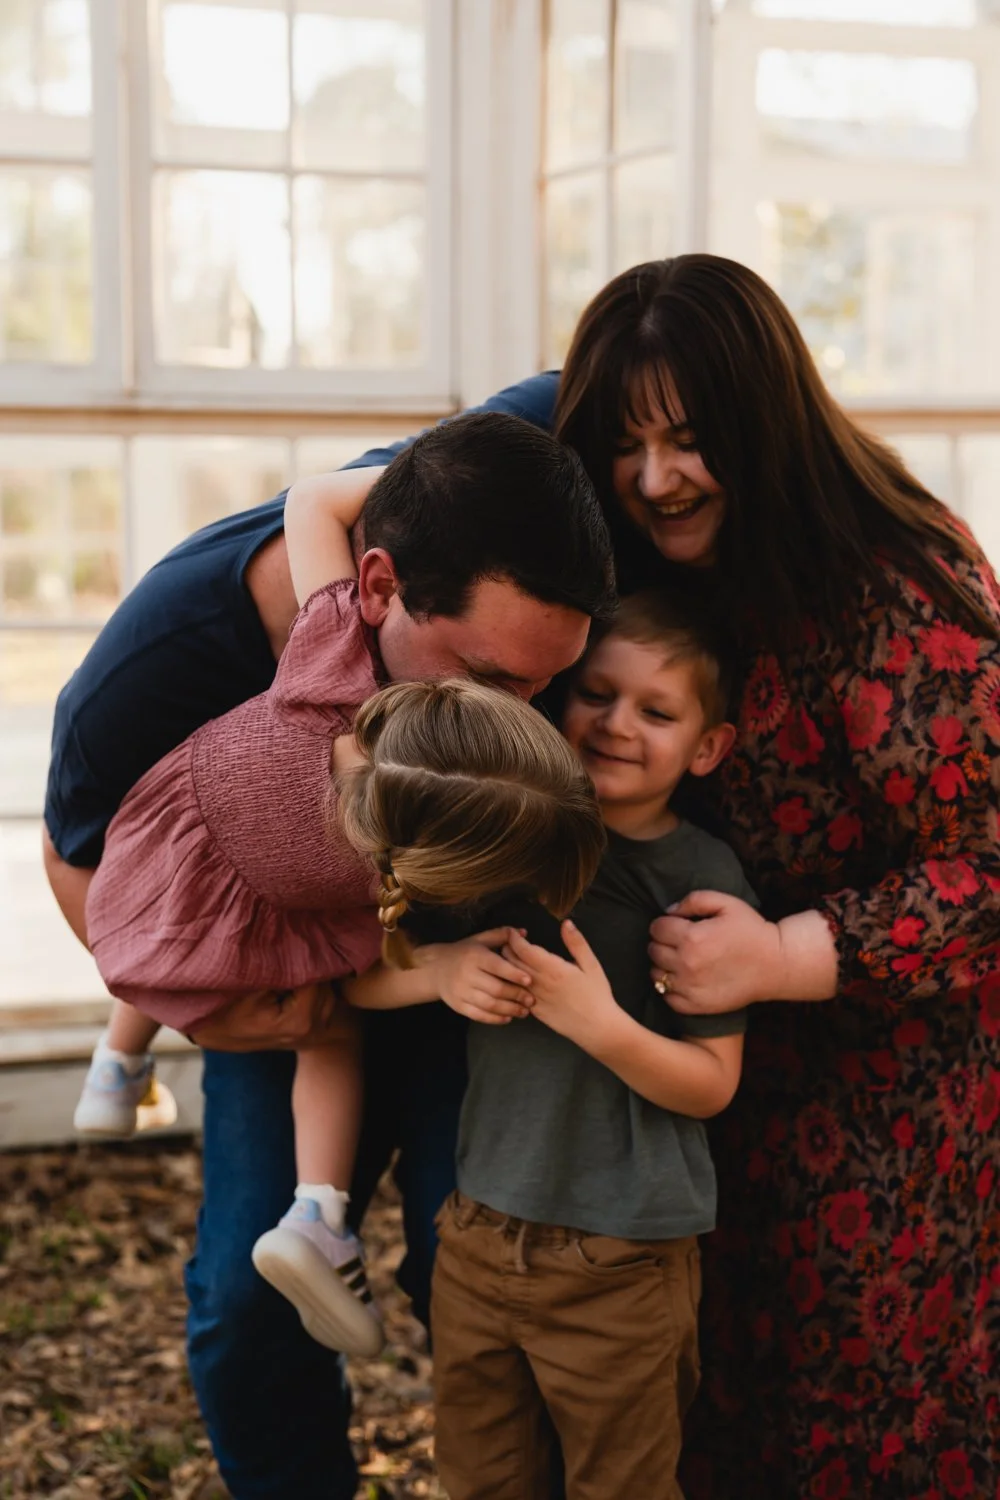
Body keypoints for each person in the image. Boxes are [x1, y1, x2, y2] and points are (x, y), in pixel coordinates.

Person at [301, 254, 1000, 1495]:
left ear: (765, 424)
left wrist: (792, 954)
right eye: (627, 442)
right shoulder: (631, 554)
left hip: (882, 1106)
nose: (656, 475)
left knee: (846, 1416)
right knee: (681, 1419)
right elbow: (387, 505)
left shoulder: (895, 587)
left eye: (690, 438)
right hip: (676, 1112)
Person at [43, 410, 615, 1499]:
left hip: (474, 975)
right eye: (492, 680)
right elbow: (87, 854)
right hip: (311, 965)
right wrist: (198, 1007)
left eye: (553, 687)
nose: (524, 721)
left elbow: (333, 492)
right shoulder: (209, 677)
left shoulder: (544, 464)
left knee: (489, 1272)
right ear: (381, 586)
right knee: (246, 1302)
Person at [426, 591, 754, 1500]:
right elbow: (365, 974)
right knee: (480, 1482)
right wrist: (442, 967)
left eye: (656, 711)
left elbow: (713, 1083)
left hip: (621, 1260)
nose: (616, 725)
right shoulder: (503, 836)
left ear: (707, 747)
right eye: (597, 694)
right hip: (480, 1237)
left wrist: (599, 1024)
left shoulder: (700, 878)